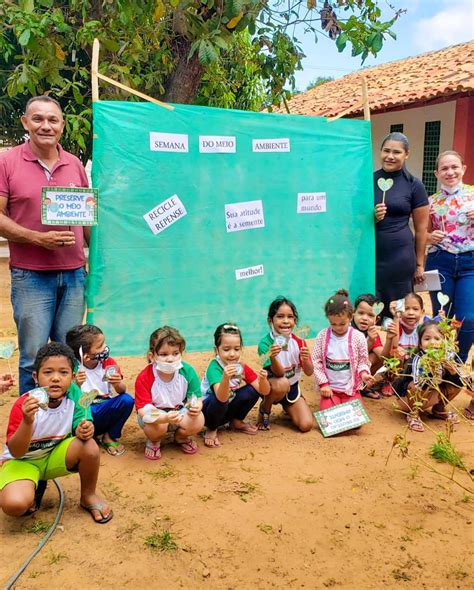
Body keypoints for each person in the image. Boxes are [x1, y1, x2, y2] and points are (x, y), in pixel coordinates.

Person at [0, 96, 89, 394]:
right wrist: (37, 239)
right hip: (31, 276)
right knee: (32, 358)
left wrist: (103, 260)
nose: (46, 126)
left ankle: (65, 422)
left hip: (75, 275)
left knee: (69, 357)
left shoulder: (74, 164)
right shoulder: (7, 161)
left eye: (53, 120)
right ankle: (32, 427)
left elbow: (88, 220)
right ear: (25, 122)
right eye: (38, 119)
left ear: (62, 125)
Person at [0, 342, 112, 523]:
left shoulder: (76, 396)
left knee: (89, 446)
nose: (55, 378)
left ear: (73, 376)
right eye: (48, 372)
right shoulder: (24, 404)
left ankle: (88, 496)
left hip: (53, 456)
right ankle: (30, 485)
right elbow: (17, 452)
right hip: (22, 462)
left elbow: (80, 423)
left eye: (63, 372)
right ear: (36, 377)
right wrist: (27, 421)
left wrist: (83, 429)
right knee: (15, 505)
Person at [425, 151, 473, 364]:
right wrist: (429, 236)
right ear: (436, 173)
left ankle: (458, 362)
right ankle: (436, 362)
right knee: (441, 317)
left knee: (468, 318)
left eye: (454, 167)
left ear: (464, 168)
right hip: (439, 261)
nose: (450, 172)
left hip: (470, 263)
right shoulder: (430, 202)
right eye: (444, 168)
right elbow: (422, 235)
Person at [373, 132, 429, 313]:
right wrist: (370, 218)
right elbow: (352, 221)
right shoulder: (368, 181)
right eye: (386, 151)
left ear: (406, 154)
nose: (390, 156)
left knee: (398, 312)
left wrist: (419, 264)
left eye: (396, 152)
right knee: (368, 310)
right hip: (370, 254)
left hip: (400, 257)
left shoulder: (414, 185)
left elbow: (421, 229)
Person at [134, 326, 204, 461]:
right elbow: (144, 410)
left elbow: (196, 398)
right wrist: (164, 418)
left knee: (199, 419)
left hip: (179, 412)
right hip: (155, 414)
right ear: (152, 356)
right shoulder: (145, 377)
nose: (170, 359)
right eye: (164, 354)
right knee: (157, 426)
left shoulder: (187, 371)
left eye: (175, 353)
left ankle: (181, 437)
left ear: (181, 353)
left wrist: (196, 407)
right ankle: (154, 440)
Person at [66, 324, 134, 457]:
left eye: (104, 343)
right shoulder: (72, 367)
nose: (105, 348)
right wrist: (76, 385)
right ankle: (85, 438)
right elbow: (69, 399)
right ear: (84, 355)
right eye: (99, 346)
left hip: (103, 408)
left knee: (127, 400)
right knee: (76, 409)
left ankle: (109, 436)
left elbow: (121, 391)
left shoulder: (108, 363)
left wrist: (117, 383)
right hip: (83, 413)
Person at [201, 323, 270, 448]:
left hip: (225, 409)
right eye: (226, 349)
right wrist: (225, 378)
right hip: (207, 413)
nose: (232, 354)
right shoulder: (215, 367)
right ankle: (211, 428)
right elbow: (221, 398)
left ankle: (236, 421)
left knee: (252, 391)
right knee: (217, 398)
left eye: (237, 349)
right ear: (216, 350)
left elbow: (263, 391)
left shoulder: (240, 367)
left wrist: (264, 380)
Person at [392, 321, 463, 432]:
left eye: (437, 339)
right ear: (420, 344)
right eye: (427, 339)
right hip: (408, 399)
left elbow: (459, 384)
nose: (432, 342)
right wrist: (430, 369)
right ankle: (413, 414)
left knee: (457, 383)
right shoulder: (418, 359)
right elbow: (418, 385)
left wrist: (453, 372)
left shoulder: (446, 357)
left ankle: (438, 410)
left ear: (444, 342)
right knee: (413, 386)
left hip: (430, 395)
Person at [257, 297, 314, 432]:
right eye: (280, 317)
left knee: (306, 425)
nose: (286, 321)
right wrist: (273, 357)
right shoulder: (265, 344)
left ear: (295, 320)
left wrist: (305, 360)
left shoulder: (299, 340)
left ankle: (288, 408)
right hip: (272, 387)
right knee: (282, 383)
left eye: (290, 317)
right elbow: (279, 374)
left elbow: (309, 372)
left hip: (292, 388)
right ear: (270, 320)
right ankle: (265, 408)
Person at [312, 290, 374, 410]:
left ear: (351, 317)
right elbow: (316, 361)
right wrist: (323, 384)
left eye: (342, 324)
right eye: (333, 324)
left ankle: (352, 399)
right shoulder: (322, 336)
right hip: (330, 390)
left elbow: (362, 361)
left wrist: (364, 374)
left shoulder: (358, 337)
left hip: (350, 390)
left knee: (356, 420)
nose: (338, 327)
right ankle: (329, 401)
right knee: (329, 418)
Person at [352, 294, 395, 398]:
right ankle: (354, 385)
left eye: (370, 315)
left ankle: (362, 384)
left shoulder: (372, 332)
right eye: (361, 313)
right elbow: (352, 358)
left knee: (375, 357)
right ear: (353, 313)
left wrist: (389, 339)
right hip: (343, 370)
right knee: (368, 358)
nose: (365, 318)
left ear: (377, 319)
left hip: (359, 371)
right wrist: (370, 341)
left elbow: (384, 359)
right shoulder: (348, 330)